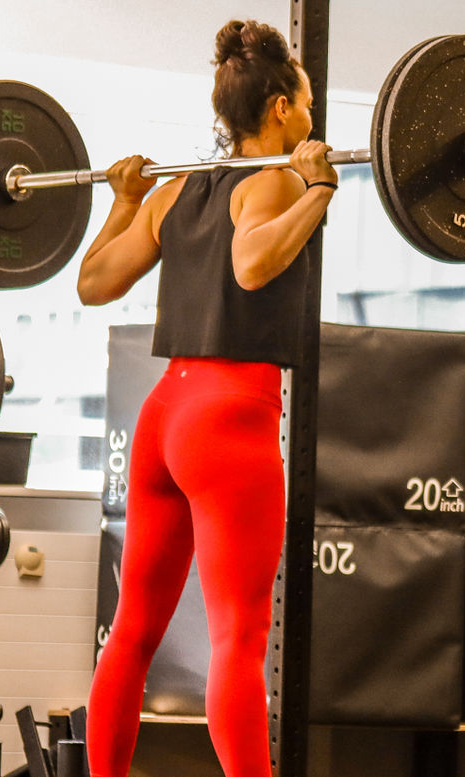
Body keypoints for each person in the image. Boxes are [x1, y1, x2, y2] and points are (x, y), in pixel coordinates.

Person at [77, 19, 336, 777]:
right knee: (237, 639)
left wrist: (124, 203)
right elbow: (254, 264)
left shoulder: (176, 190)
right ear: (282, 108)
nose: (313, 115)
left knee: (130, 632)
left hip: (164, 412)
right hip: (230, 416)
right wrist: (319, 187)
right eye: (309, 100)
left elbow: (94, 281)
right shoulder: (278, 177)